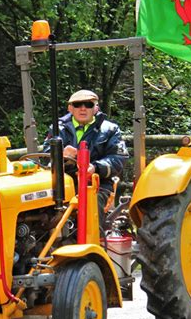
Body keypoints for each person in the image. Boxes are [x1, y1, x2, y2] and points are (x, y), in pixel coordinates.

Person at [43, 89, 129, 222]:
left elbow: (118, 159)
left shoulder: (110, 129)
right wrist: (60, 155)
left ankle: (94, 239)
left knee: (91, 205)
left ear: (95, 108)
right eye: (78, 104)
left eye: (88, 104)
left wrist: (95, 167)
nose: (83, 109)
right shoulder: (56, 129)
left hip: (97, 184)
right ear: (70, 108)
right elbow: (45, 157)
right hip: (61, 184)